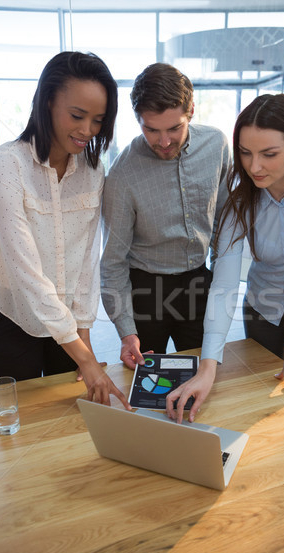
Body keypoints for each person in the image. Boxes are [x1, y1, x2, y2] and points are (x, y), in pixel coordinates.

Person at [167, 93, 284, 423]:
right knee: (259, 410)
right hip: (262, 310)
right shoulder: (241, 200)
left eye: (269, 154)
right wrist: (208, 364)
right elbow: (223, 284)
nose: (254, 167)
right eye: (246, 153)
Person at [0, 50, 130, 409]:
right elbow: (26, 273)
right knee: (21, 432)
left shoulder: (92, 172)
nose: (87, 131)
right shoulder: (7, 164)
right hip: (15, 319)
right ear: (48, 102)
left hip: (69, 325)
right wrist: (87, 360)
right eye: (77, 116)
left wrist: (85, 342)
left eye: (98, 120)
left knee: (74, 426)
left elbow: (84, 264)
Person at [101, 62, 230, 369]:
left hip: (199, 282)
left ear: (192, 111)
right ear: (138, 120)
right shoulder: (122, 174)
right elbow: (112, 262)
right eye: (151, 129)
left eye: (174, 128)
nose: (163, 141)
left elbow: (225, 224)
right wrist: (126, 332)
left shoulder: (217, 146)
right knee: (148, 387)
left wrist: (222, 288)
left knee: (207, 376)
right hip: (146, 292)